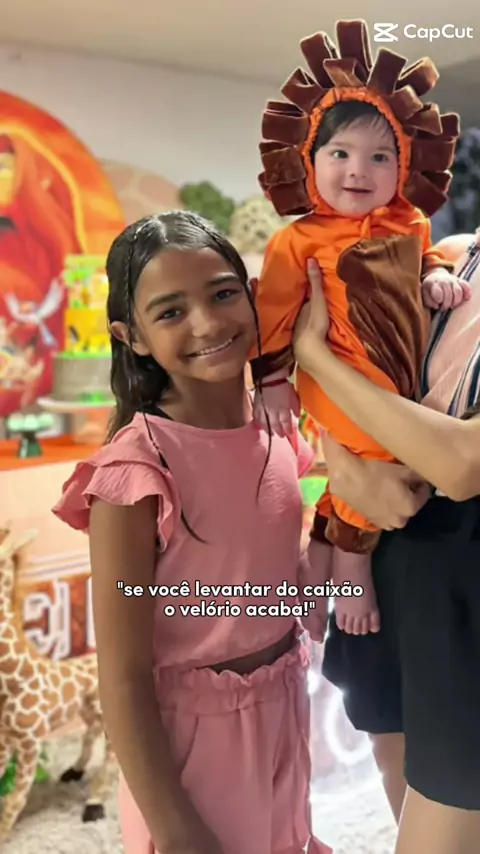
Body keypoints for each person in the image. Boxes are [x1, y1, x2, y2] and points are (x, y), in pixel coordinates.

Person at [52, 211, 331, 854]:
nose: (207, 323)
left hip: (283, 708)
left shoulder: (279, 432)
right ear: (132, 337)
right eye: (171, 311)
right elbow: (122, 676)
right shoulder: (134, 475)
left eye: (223, 294)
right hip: (188, 747)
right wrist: (176, 829)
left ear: (254, 296)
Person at [249, 18, 467, 639]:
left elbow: (424, 262)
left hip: (393, 371)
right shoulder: (298, 240)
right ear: (309, 160)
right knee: (377, 452)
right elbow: (275, 314)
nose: (358, 170)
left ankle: (318, 557)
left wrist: (434, 275)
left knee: (392, 441)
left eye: (379, 157)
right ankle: (352, 563)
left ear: (404, 166)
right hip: (337, 373)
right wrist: (272, 382)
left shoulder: (410, 224)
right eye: (339, 153)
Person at [292, 230, 480, 854]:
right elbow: (363, 387)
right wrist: (347, 464)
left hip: (467, 575)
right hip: (391, 555)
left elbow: (463, 463)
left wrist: (314, 359)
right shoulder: (448, 256)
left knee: (445, 809)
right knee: (391, 744)